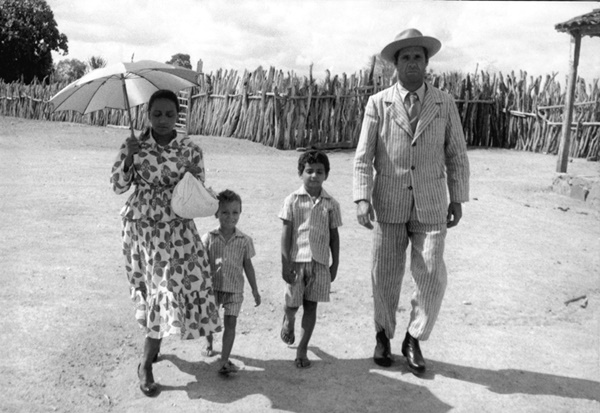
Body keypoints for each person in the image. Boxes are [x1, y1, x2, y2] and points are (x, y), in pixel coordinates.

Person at [353, 29, 470, 373]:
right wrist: (362, 198)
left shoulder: (444, 103)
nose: (412, 63)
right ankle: (382, 335)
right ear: (396, 64)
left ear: (427, 62)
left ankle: (414, 337)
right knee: (385, 274)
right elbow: (363, 156)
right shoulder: (378, 103)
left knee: (432, 273)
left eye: (418, 57)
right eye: (405, 57)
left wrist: (458, 197)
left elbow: (457, 154)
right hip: (388, 201)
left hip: (432, 201)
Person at [110, 89, 221, 396]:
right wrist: (129, 155)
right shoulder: (134, 143)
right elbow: (118, 186)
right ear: (147, 115)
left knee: (174, 287)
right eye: (156, 114)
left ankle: (151, 348)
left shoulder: (189, 148)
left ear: (178, 116)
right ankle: (146, 362)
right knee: (156, 290)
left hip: (176, 227)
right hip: (143, 227)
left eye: (169, 114)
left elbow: (196, 188)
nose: (162, 120)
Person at [279, 150, 342, 368]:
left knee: (311, 306)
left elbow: (334, 236)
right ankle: (288, 320)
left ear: (326, 175)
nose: (314, 176)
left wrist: (335, 264)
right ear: (300, 173)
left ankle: (302, 349)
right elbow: (286, 234)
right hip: (297, 262)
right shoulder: (292, 200)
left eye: (319, 172)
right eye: (309, 171)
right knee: (292, 305)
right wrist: (285, 263)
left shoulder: (331, 204)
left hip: (320, 263)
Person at [201, 189, 261, 376]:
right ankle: (209, 342)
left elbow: (248, 266)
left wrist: (255, 290)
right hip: (212, 288)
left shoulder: (244, 240)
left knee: (231, 323)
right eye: (225, 212)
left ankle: (225, 360)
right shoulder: (209, 238)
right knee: (210, 321)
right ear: (216, 213)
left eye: (235, 212)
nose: (230, 217)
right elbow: (202, 264)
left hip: (235, 289)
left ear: (240, 213)